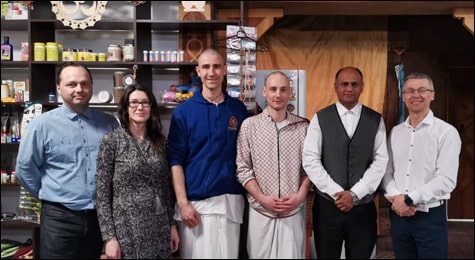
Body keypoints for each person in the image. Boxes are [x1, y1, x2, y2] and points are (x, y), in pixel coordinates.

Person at [15, 62, 119, 259]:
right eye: (72, 84)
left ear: (91, 86)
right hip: (58, 218)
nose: (79, 89)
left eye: (84, 83)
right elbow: (24, 169)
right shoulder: (41, 125)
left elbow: (117, 168)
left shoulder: (109, 123)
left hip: (98, 218)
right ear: (58, 87)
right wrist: (48, 194)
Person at [167, 48, 249, 259]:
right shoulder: (183, 112)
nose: (211, 72)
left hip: (229, 202)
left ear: (224, 70)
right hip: (195, 206)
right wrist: (183, 203)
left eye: (216, 66)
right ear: (198, 71)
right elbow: (175, 161)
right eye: (206, 67)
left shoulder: (238, 110)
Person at [302, 66, 389, 259]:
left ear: (362, 87)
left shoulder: (375, 120)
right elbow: (310, 159)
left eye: (354, 84)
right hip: (327, 208)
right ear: (335, 87)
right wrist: (337, 193)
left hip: (363, 207)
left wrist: (355, 194)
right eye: (344, 84)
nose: (349, 88)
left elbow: (380, 161)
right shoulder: (320, 118)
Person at [381, 72, 462, 259]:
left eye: (422, 90)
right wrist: (398, 198)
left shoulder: (446, 133)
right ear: (403, 97)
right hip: (399, 216)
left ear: (432, 95)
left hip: (430, 217)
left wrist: (410, 199)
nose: (415, 95)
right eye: (409, 90)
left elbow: (446, 180)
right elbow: (387, 172)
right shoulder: (396, 132)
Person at [96, 84, 179, 259]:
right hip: (126, 228)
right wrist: (109, 238)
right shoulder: (112, 141)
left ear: (151, 107)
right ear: (126, 107)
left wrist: (172, 225)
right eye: (133, 102)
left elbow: (166, 188)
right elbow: (102, 194)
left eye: (145, 102)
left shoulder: (161, 142)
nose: (139, 107)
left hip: (158, 226)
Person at [236, 71, 312, 258]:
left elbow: (310, 167)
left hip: (293, 211)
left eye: (283, 89)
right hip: (260, 211)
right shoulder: (249, 126)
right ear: (264, 92)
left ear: (290, 93)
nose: (278, 94)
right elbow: (243, 168)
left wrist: (300, 196)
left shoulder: (303, 126)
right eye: (273, 89)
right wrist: (261, 197)